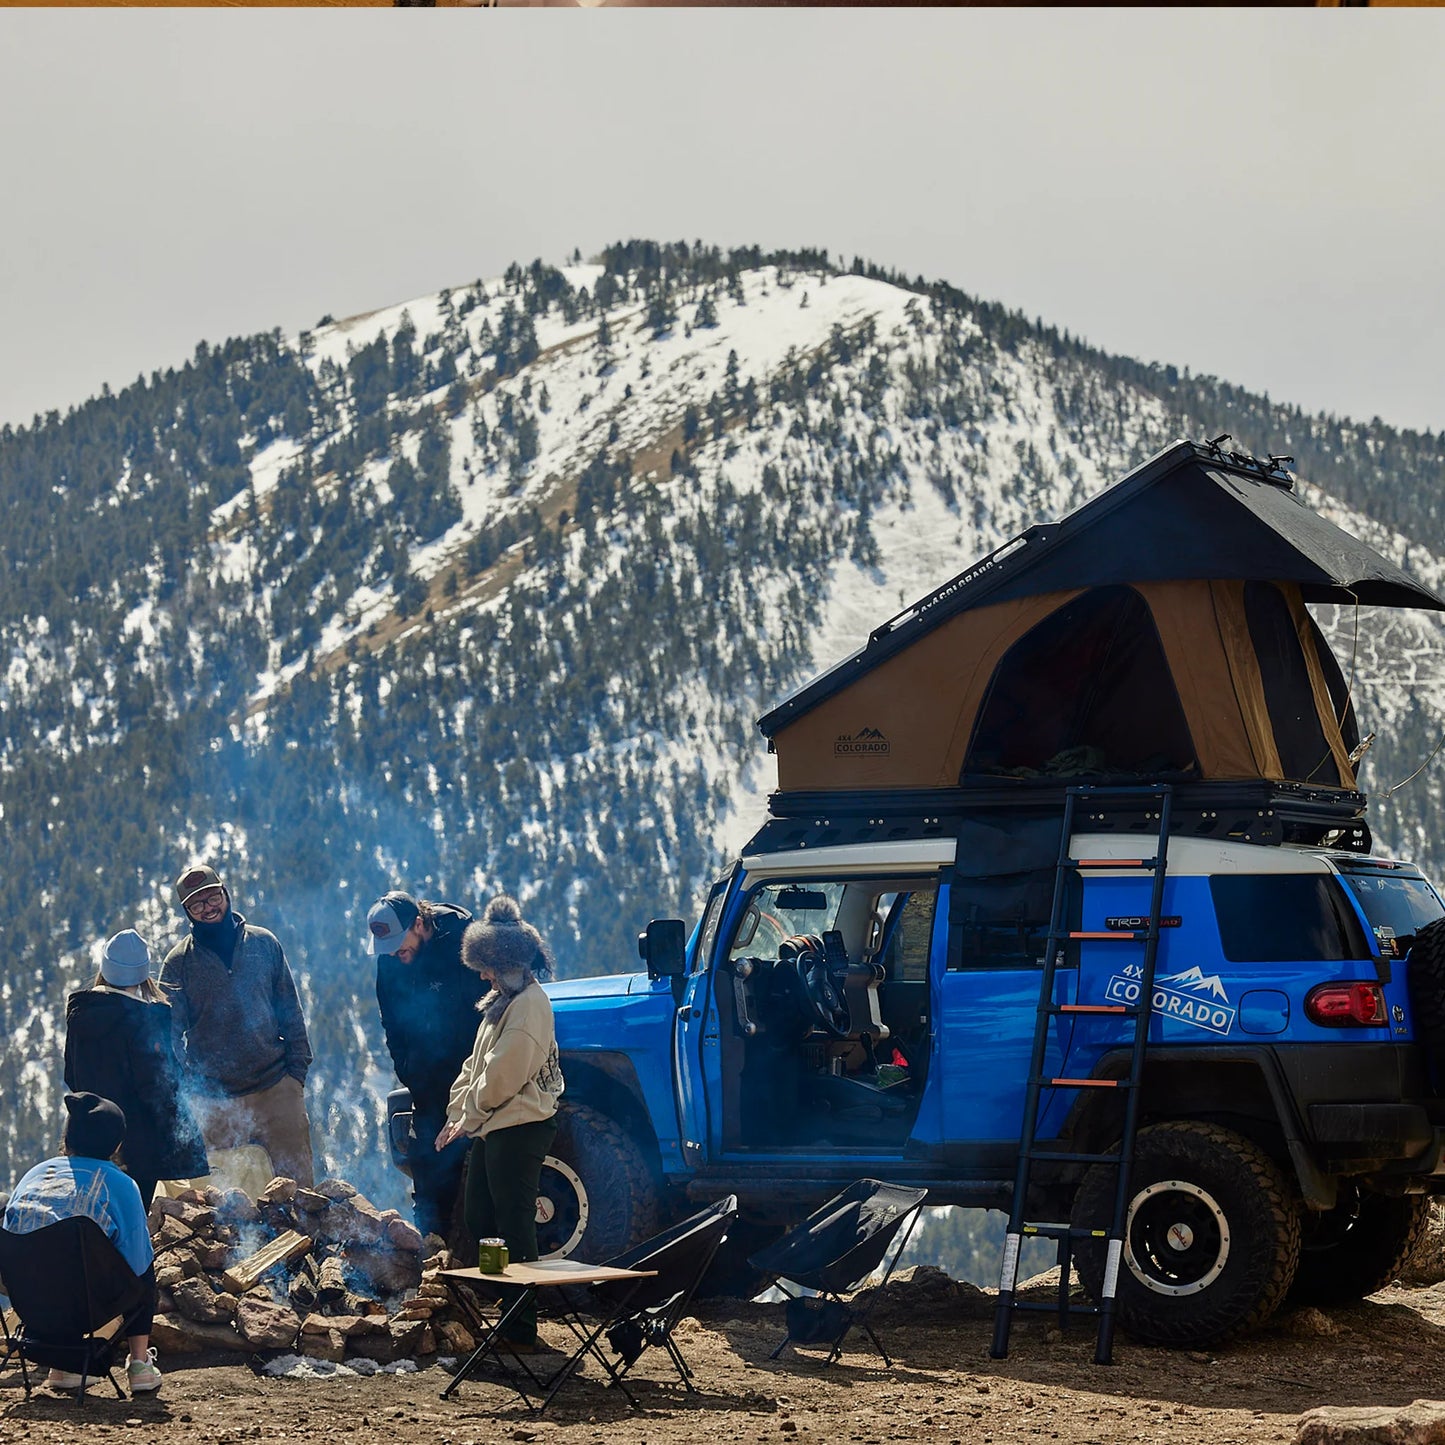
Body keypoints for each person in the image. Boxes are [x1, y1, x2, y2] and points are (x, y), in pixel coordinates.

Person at [436, 895, 564, 1352]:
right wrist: (458, 1115)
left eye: (488, 966)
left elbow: (503, 1075)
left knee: (512, 1221)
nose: (483, 975)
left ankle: (521, 1324)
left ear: (506, 962)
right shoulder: (500, 1004)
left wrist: (468, 1117)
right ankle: (506, 1311)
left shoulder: (529, 1005)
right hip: (495, 1125)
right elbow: (474, 1067)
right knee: (482, 1215)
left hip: (520, 1125)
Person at [159, 864, 316, 1187]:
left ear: (225, 893)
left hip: (275, 1089)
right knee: (225, 1200)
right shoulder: (179, 964)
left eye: (212, 896)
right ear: (187, 912)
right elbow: (168, 1035)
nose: (208, 907)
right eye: (197, 904)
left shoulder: (264, 944)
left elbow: (290, 1010)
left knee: (298, 1191)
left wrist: (295, 1077)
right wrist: (188, 1090)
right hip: (215, 1102)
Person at [4, 1093, 162, 1394]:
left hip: (26, 1297)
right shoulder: (122, 1185)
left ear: (68, 1137)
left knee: (52, 1257)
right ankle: (140, 1364)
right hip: (88, 1304)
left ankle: (64, 1366)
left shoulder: (35, 1174)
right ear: (117, 1144)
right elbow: (137, 1261)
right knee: (143, 1264)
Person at [366, 890, 485, 1240]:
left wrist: (479, 1076)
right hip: (428, 1085)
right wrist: (409, 1071)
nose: (397, 956)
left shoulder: (464, 943)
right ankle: (431, 1252)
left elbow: (488, 1010)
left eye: (401, 946)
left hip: (477, 1079)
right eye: (389, 950)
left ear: (419, 924)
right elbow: (391, 1023)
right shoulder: (389, 959)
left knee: (482, 1171)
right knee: (429, 1171)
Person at [64, 929, 209, 1208]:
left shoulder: (80, 1014)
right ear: (143, 974)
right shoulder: (146, 1021)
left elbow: (71, 1076)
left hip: (86, 1140)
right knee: (134, 1219)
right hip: (137, 1149)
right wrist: (186, 1149)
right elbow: (160, 1090)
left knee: (95, 1217)